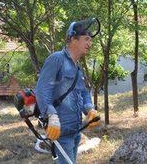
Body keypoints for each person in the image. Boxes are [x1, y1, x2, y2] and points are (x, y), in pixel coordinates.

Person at [35, 18, 100, 164]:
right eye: (87, 39)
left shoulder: (77, 67)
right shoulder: (56, 59)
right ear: (73, 39)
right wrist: (51, 115)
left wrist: (89, 109)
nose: (90, 44)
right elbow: (41, 90)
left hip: (75, 131)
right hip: (60, 131)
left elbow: (83, 92)